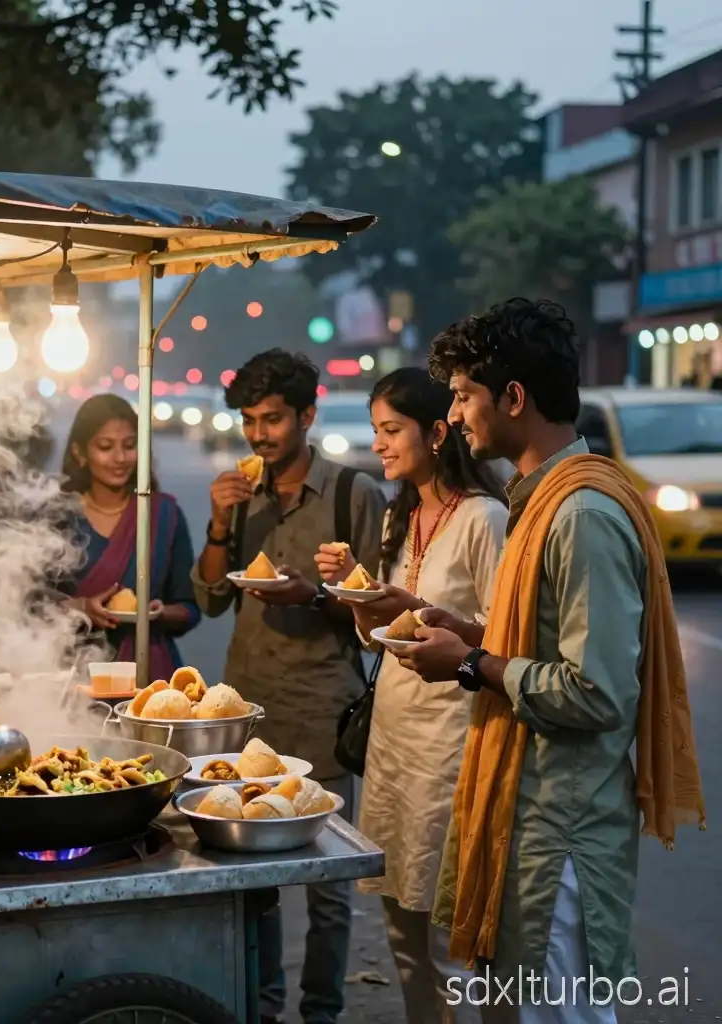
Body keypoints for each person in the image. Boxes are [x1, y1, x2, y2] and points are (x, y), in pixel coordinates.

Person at [397, 299, 705, 1023]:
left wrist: (475, 663)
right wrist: (470, 634)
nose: (458, 415)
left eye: (466, 396)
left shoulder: (581, 514)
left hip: (558, 837)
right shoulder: (541, 501)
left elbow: (597, 692)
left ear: (514, 398)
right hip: (527, 820)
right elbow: (544, 642)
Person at [192, 349, 386, 1024]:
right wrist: (219, 524)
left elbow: (376, 610)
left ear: (307, 414)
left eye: (272, 419)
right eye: (249, 420)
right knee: (256, 880)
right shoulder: (241, 498)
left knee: (328, 886)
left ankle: (323, 1012)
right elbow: (213, 597)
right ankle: (264, 1007)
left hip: (322, 709)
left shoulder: (351, 495)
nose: (258, 435)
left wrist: (313, 596)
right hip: (249, 714)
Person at [315, 368, 507, 1024]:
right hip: (394, 744)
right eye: (376, 431)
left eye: (391, 430)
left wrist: (421, 609)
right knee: (399, 926)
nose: (381, 445)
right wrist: (357, 596)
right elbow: (381, 639)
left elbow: (503, 639)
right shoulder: (403, 513)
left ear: (435, 432)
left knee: (445, 932)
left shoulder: (484, 517)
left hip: (452, 746)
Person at [63, 394, 201, 678]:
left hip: (147, 675)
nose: (120, 458)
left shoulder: (164, 514)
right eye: (105, 447)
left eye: (130, 446)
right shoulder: (59, 516)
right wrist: (81, 608)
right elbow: (29, 604)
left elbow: (190, 609)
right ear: (80, 453)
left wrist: (157, 613)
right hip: (70, 676)